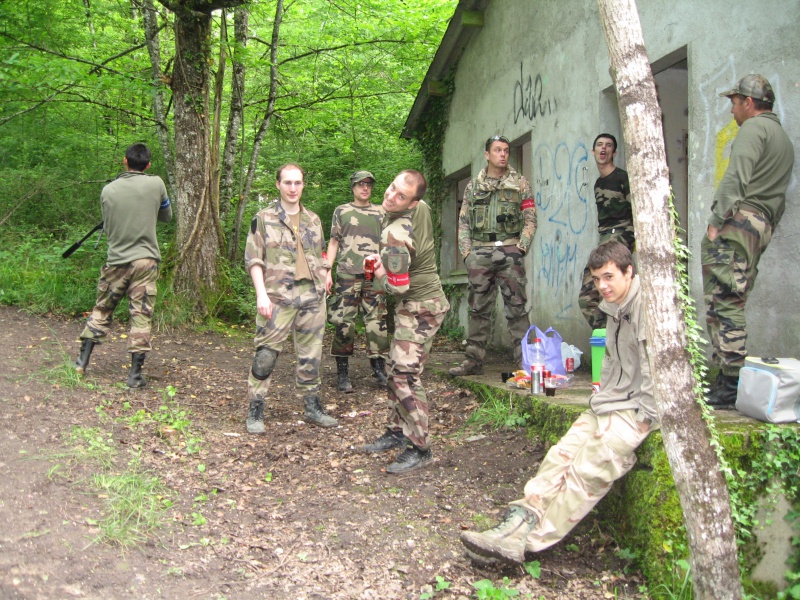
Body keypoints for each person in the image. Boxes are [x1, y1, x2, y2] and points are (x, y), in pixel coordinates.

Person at [460, 241, 657, 565]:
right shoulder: (615, 306)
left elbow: (655, 367)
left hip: (638, 410)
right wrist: (600, 398)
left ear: (629, 271)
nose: (602, 286)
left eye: (608, 277)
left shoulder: (648, 306)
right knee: (561, 455)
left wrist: (644, 419)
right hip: (611, 401)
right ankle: (519, 519)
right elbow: (610, 360)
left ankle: (526, 542)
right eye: (596, 280)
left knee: (590, 465)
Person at [703, 74, 794, 408]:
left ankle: (730, 383)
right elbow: (778, 198)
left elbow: (737, 175)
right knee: (734, 297)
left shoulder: (754, 129)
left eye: (734, 102)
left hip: (740, 222)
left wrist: (716, 221)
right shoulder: (782, 137)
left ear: (750, 103)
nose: (732, 110)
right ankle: (729, 377)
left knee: (724, 299)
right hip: (761, 224)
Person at [360, 170, 450, 474]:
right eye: (391, 188)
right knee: (393, 368)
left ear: (412, 204)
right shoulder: (420, 207)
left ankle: (420, 447)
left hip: (420, 307)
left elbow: (394, 288)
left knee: (405, 375)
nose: (390, 196)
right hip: (418, 301)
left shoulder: (395, 235)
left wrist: (374, 271)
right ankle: (397, 431)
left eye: (400, 196)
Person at [244, 163, 336, 434]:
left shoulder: (314, 220)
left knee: (311, 355)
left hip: (312, 295)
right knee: (265, 355)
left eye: (297, 182)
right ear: (278, 185)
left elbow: (319, 253)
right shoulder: (263, 218)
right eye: (287, 182)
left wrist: (326, 273)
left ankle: (312, 406)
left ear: (303, 185)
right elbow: (254, 259)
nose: (293, 188)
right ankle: (256, 408)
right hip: (276, 295)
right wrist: (261, 293)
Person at [74, 142, 172, 388]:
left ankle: (80, 365)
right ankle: (134, 376)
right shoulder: (156, 183)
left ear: (124, 161)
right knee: (141, 316)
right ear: (148, 164)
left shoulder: (108, 190)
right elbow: (167, 217)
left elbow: (108, 224)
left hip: (116, 261)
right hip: (145, 262)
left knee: (102, 309)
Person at [449, 135, 536, 376]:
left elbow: (530, 218)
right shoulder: (473, 186)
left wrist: (522, 246)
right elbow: (464, 221)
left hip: (510, 251)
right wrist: (467, 253)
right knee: (478, 309)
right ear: (487, 154)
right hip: (480, 251)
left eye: (506, 150)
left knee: (517, 308)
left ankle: (525, 363)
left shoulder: (520, 183)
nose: (503, 154)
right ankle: (473, 362)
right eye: (497, 150)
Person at [325, 170, 389, 393]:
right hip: (347, 273)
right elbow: (334, 242)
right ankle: (343, 373)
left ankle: (379, 369)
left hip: (374, 274)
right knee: (344, 322)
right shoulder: (342, 211)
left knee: (377, 320)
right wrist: (327, 271)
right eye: (360, 184)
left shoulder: (381, 212)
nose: (365, 188)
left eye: (369, 184)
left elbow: (388, 244)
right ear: (352, 186)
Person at [578, 133, 635, 330]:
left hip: (619, 236)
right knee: (592, 297)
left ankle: (613, 336)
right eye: (599, 145)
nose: (604, 149)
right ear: (593, 152)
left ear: (614, 152)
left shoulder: (622, 178)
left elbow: (636, 211)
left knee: (588, 294)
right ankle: (610, 335)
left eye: (608, 146)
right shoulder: (599, 182)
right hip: (605, 236)